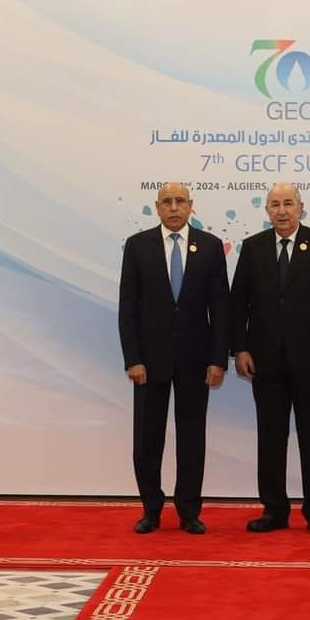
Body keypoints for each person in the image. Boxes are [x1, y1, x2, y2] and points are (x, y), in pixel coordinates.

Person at [230, 182, 310, 535]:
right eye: (275, 205)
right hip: (265, 361)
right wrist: (240, 348)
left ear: (301, 207)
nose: (281, 211)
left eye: (288, 204)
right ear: (267, 210)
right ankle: (274, 510)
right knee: (270, 438)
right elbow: (238, 303)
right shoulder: (253, 247)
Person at [118, 182, 229, 534]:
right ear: (157, 207)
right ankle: (151, 508)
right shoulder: (138, 246)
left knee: (192, 438)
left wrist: (218, 360)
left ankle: (188, 510)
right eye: (167, 201)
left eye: (180, 201)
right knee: (147, 439)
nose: (174, 207)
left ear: (191, 205)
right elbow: (128, 308)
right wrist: (133, 359)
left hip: (197, 361)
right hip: (149, 362)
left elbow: (220, 308)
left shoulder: (210, 246)